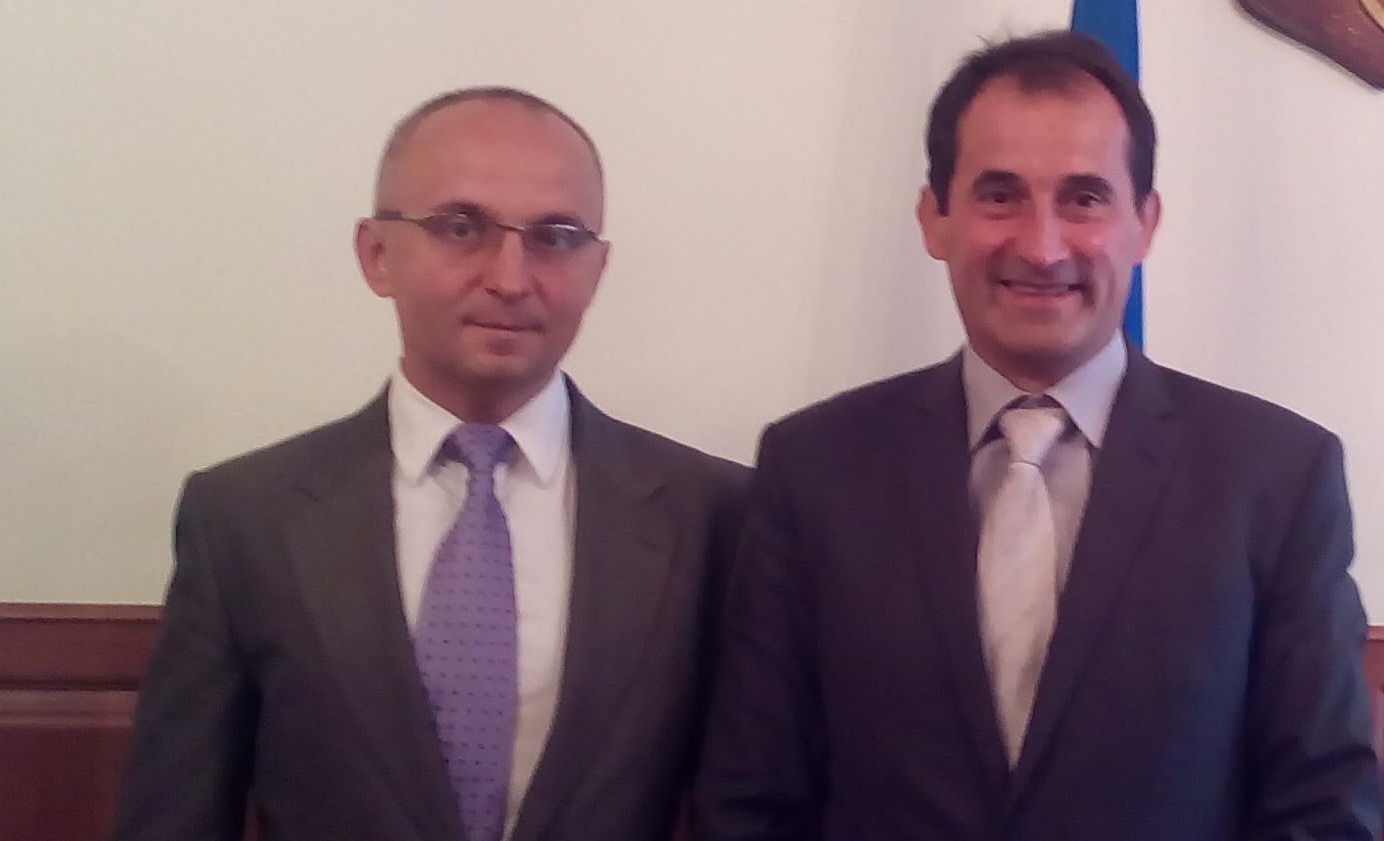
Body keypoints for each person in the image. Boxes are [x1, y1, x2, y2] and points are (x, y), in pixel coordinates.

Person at [694, 31, 1380, 841]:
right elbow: (750, 800)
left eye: (1084, 198)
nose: (1041, 246)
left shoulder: (1276, 476)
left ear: (1144, 223)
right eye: (999, 195)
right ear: (934, 218)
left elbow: (1322, 809)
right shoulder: (813, 468)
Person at [113, 87, 748, 841]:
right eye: (461, 227)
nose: (510, 277)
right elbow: (175, 814)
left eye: (555, 236)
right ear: (376, 255)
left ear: (597, 268)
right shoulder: (245, 519)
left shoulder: (708, 515)